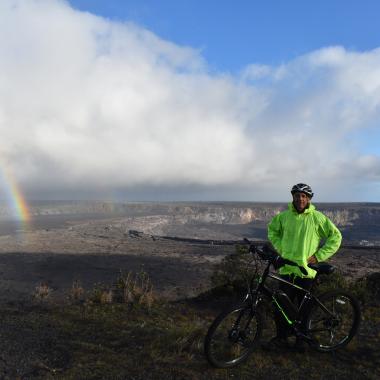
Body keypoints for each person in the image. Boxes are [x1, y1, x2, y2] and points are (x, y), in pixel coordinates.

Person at [263, 183, 342, 351]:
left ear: (309, 199)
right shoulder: (284, 217)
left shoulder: (317, 218)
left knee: (304, 309)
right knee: (281, 308)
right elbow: (272, 231)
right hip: (286, 270)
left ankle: (302, 340)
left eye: (304, 196)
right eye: (297, 195)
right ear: (293, 197)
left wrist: (319, 256)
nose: (300, 199)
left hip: (306, 272)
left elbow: (336, 237)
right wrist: (281, 248)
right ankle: (281, 338)